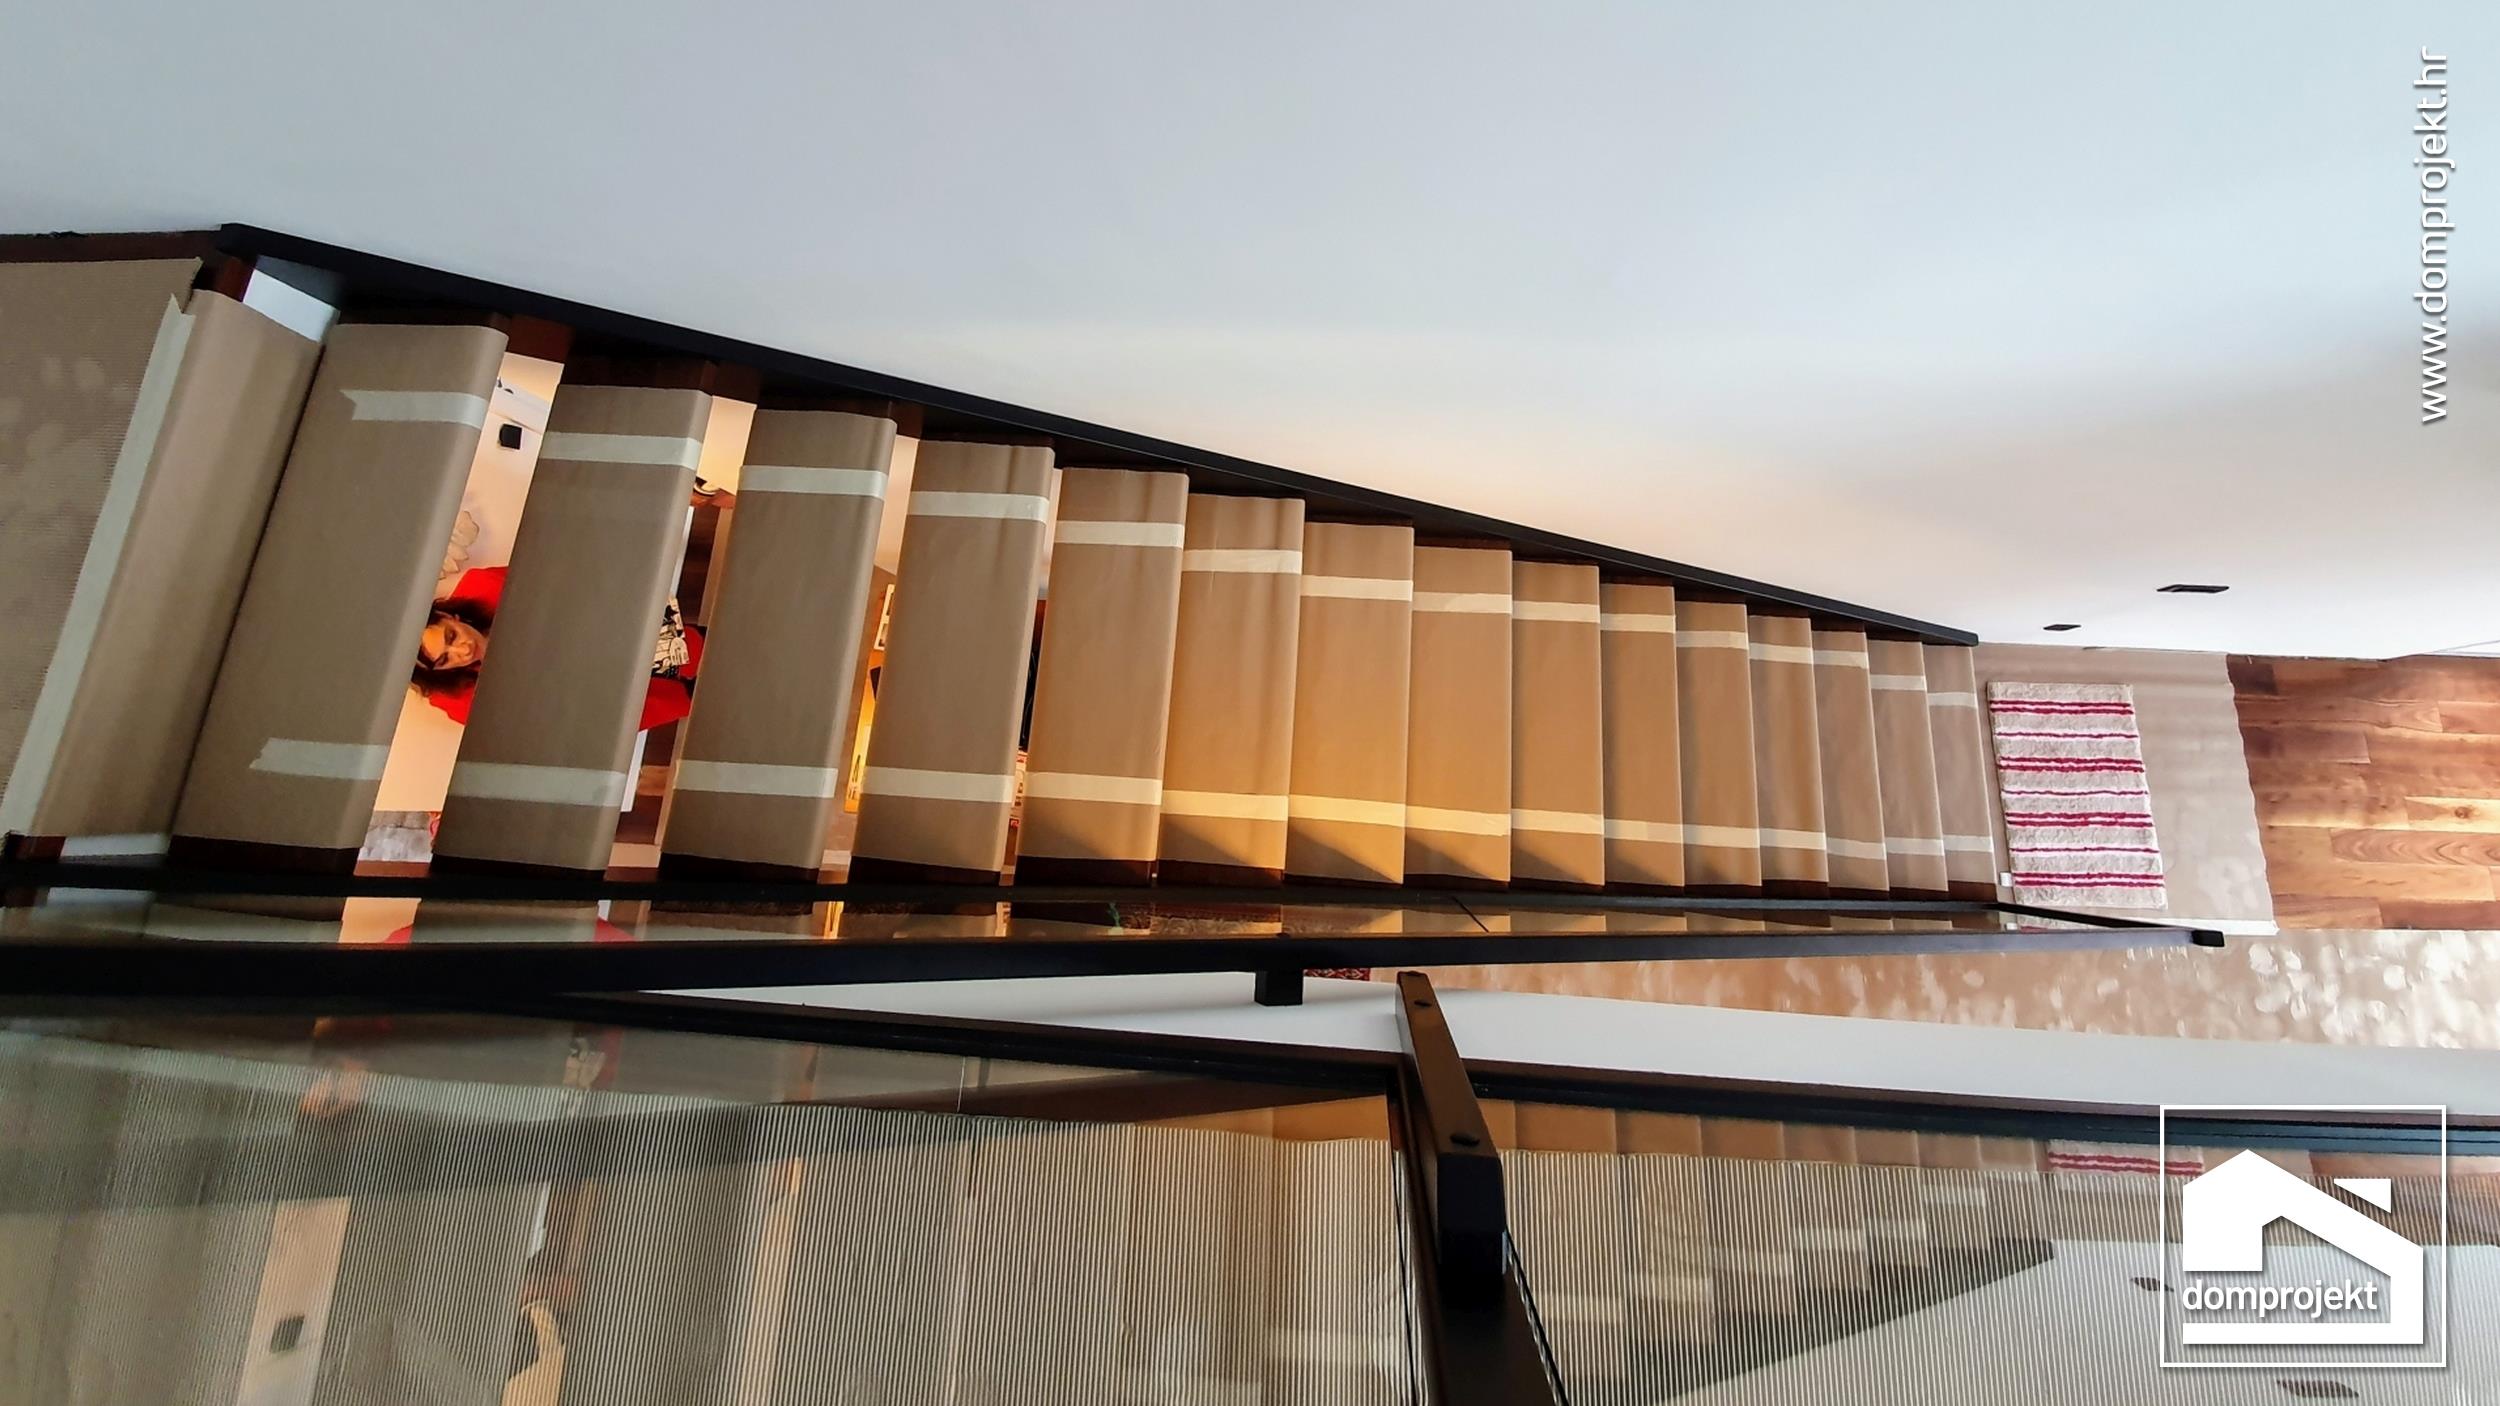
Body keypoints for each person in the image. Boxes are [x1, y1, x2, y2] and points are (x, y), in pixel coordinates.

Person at [415, 566, 703, 730]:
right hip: (604, 695)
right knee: (700, 700)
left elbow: (573, 578)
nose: (463, 650)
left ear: (448, 615)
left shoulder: (484, 584)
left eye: (451, 636)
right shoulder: (458, 700)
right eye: (445, 660)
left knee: (706, 654)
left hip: (617, 630)